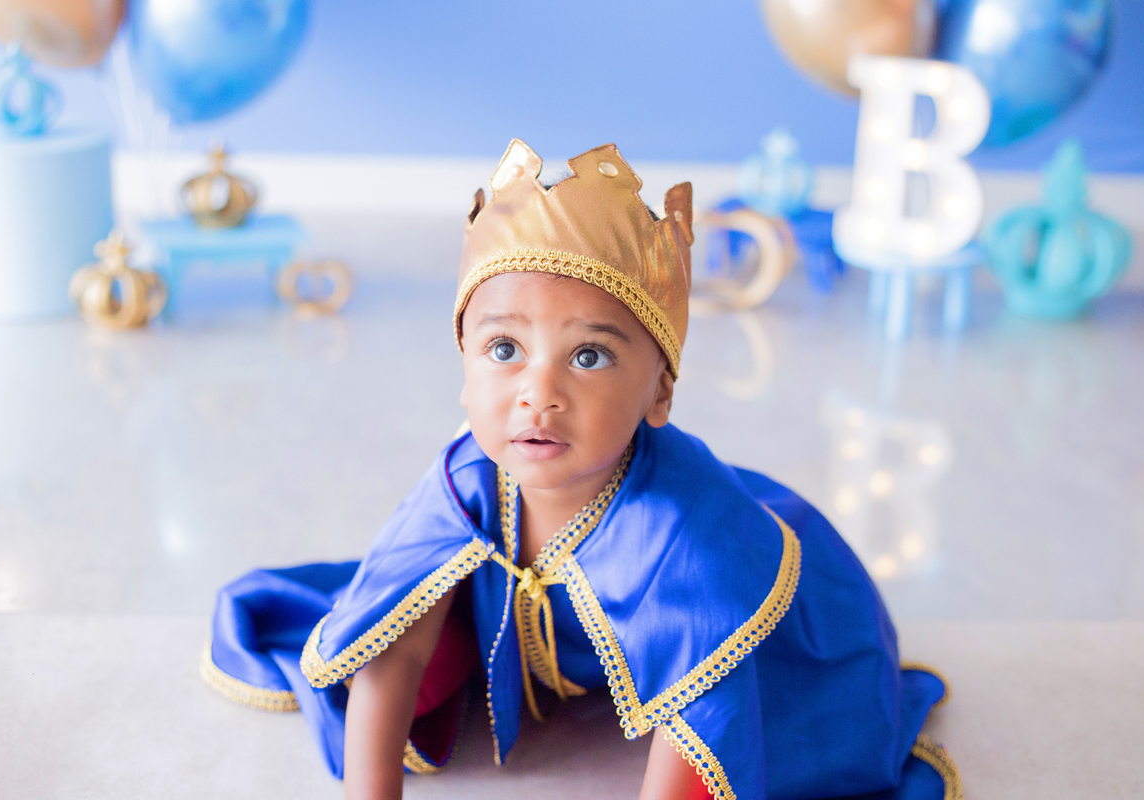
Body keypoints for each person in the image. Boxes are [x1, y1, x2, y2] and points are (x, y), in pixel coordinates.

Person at [201, 140, 960, 800]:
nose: (539, 393)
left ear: (660, 391)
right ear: (464, 375)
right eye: (504, 351)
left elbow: (710, 723)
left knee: (786, 727)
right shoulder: (467, 482)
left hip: (777, 620)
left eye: (589, 356)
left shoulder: (689, 542)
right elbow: (392, 650)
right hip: (565, 620)